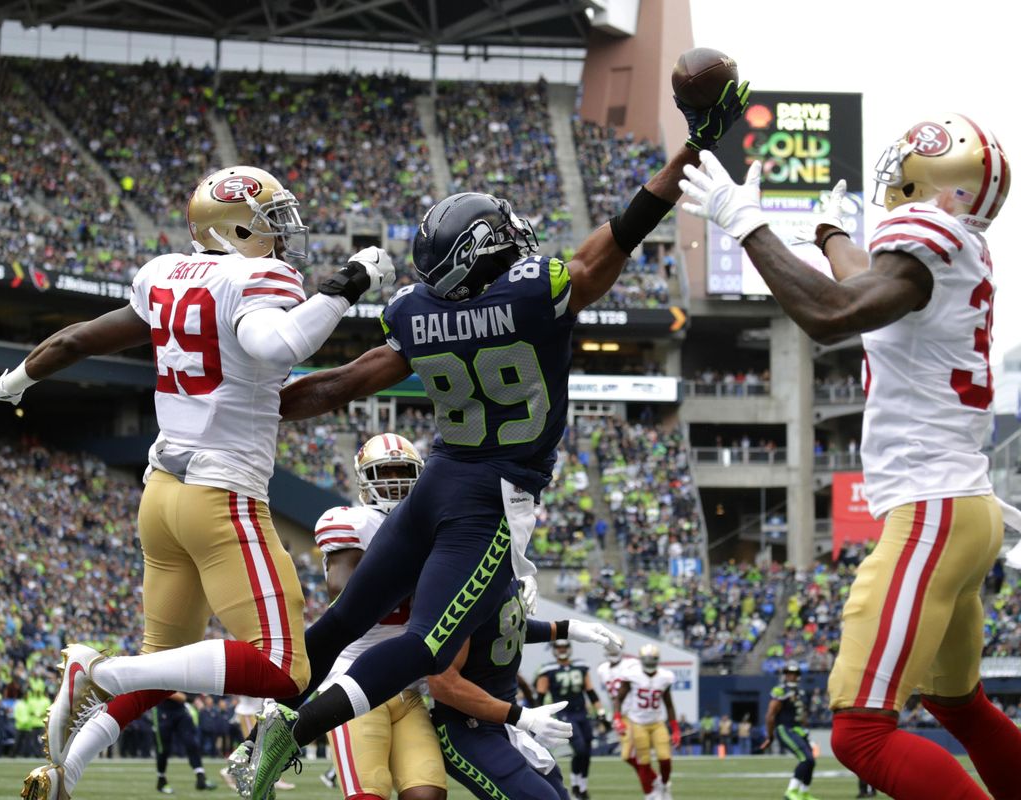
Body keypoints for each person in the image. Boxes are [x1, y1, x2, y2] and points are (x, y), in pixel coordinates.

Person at [245, 74, 751, 800]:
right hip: (492, 494)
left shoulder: (416, 311)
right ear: (489, 251)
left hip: (438, 478)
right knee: (423, 645)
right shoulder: (535, 291)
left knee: (346, 617)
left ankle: (273, 711)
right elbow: (625, 229)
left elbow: (336, 387)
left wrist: (241, 408)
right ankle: (294, 733)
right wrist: (697, 148)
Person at [0, 165, 394, 800]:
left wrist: (12, 381)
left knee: (164, 664)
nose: (281, 239)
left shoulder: (163, 274)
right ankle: (98, 672)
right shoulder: (251, 276)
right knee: (283, 668)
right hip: (220, 493)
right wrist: (347, 285)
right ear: (233, 229)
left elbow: (79, 339)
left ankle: (63, 772)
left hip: (159, 494)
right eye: (271, 225)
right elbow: (277, 348)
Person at [679, 114, 1021, 800]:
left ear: (936, 183)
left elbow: (832, 312)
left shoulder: (928, 238)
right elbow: (871, 287)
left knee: (860, 734)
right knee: (958, 705)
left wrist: (746, 222)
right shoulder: (955, 247)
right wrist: (830, 233)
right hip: (965, 504)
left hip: (934, 508)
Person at [309, 433, 447, 800]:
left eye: (403, 471)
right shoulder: (352, 521)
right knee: (368, 795)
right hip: (352, 680)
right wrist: (417, 566)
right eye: (384, 472)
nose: (396, 480)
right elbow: (345, 592)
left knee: (428, 793)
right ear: (365, 479)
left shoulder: (433, 529)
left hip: (408, 687)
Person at [427, 579, 619, 800]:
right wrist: (520, 715)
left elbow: (503, 627)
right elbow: (442, 683)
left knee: (557, 793)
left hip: (506, 721)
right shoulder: (467, 581)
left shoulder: (505, 575)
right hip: (467, 725)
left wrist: (566, 628)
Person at [534, 640, 604, 799]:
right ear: (554, 649)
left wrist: (600, 712)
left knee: (587, 752)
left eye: (564, 647)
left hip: (582, 713)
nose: (562, 650)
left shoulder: (581, 666)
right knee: (579, 749)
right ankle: (575, 784)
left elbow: (591, 692)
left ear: (569, 648)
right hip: (565, 715)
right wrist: (538, 716)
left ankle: (583, 787)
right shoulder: (548, 670)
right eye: (559, 647)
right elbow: (539, 697)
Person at [614, 645, 679, 800]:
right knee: (643, 761)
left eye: (653, 659)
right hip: (638, 723)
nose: (650, 663)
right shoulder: (632, 674)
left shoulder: (665, 676)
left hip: (657, 722)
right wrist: (617, 718)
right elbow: (619, 698)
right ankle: (649, 795)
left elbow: (668, 703)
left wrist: (675, 728)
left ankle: (664, 786)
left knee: (665, 758)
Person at [595, 644, 654, 792]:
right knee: (628, 756)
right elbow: (613, 697)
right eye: (610, 649)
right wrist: (615, 716)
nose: (613, 652)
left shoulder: (631, 664)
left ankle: (651, 782)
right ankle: (651, 779)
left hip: (634, 713)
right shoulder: (602, 669)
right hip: (621, 714)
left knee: (632, 753)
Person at [761, 662, 818, 800]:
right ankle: (790, 792)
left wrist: (805, 724)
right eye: (788, 673)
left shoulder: (801, 691)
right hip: (785, 729)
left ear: (798, 676)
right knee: (806, 758)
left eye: (794, 674)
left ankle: (804, 793)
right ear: (785, 675)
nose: (791, 676)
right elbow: (770, 715)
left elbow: (800, 714)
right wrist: (770, 736)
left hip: (798, 729)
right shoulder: (780, 690)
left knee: (811, 761)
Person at [150, 693, 218, 794]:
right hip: (162, 710)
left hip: (180, 710)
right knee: (163, 749)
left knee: (191, 742)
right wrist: (193, 699)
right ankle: (161, 781)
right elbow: (171, 692)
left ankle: (201, 777)